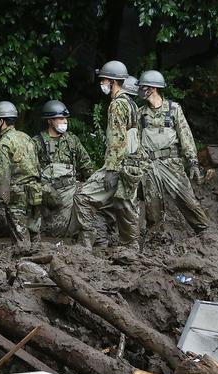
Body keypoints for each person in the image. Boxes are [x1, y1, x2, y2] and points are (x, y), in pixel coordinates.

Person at [72, 60, 143, 248]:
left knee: (83, 196)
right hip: (131, 163)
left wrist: (111, 169)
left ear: (113, 81)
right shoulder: (132, 104)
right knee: (125, 206)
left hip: (118, 164)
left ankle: (85, 247)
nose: (101, 83)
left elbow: (117, 139)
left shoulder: (117, 105)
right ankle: (127, 247)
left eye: (104, 80)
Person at [136, 70, 210, 235]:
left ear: (153, 88)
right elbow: (136, 141)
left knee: (188, 201)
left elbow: (185, 135)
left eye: (143, 87)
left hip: (171, 162)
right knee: (152, 209)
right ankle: (156, 241)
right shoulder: (140, 114)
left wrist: (193, 162)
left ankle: (206, 234)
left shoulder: (173, 109)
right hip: (149, 165)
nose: (140, 90)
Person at [33, 100, 93, 237]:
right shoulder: (37, 142)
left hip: (71, 190)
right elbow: (30, 171)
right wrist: (44, 188)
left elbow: (86, 165)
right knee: (54, 232)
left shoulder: (72, 140)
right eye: (60, 118)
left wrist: (92, 186)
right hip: (50, 195)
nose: (64, 121)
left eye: (65, 118)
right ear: (50, 121)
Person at [0, 101, 44, 245]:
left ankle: (25, 263)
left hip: (17, 195)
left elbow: (3, 176)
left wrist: (1, 202)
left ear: (1, 121)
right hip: (35, 192)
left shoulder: (3, 143)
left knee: (21, 240)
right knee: (35, 234)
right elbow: (37, 165)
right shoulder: (26, 137)